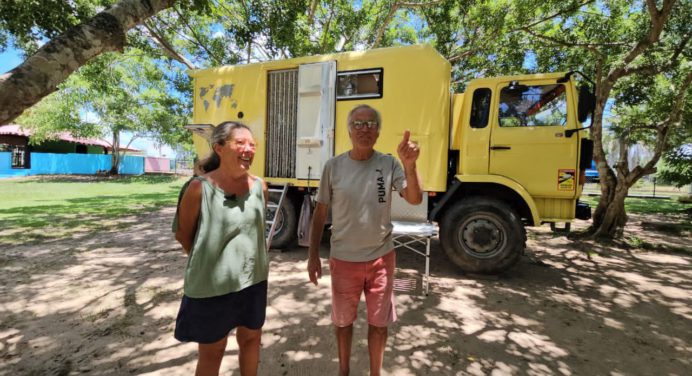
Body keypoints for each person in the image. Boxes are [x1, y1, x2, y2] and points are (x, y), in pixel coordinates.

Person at [307, 104, 423, 376]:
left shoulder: (388, 163)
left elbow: (415, 198)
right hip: (343, 259)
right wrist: (313, 255)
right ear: (348, 130)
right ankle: (344, 371)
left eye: (371, 123)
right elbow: (320, 211)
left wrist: (410, 165)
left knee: (379, 324)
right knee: (343, 323)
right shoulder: (333, 167)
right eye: (358, 124)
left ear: (379, 131)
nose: (364, 129)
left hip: (381, 258)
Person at [173, 121, 269, 376]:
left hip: (253, 281)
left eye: (252, 144)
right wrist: (213, 260)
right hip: (211, 285)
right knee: (213, 351)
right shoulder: (198, 188)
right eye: (240, 143)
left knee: (250, 341)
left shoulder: (260, 186)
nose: (248, 149)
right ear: (219, 148)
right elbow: (184, 236)